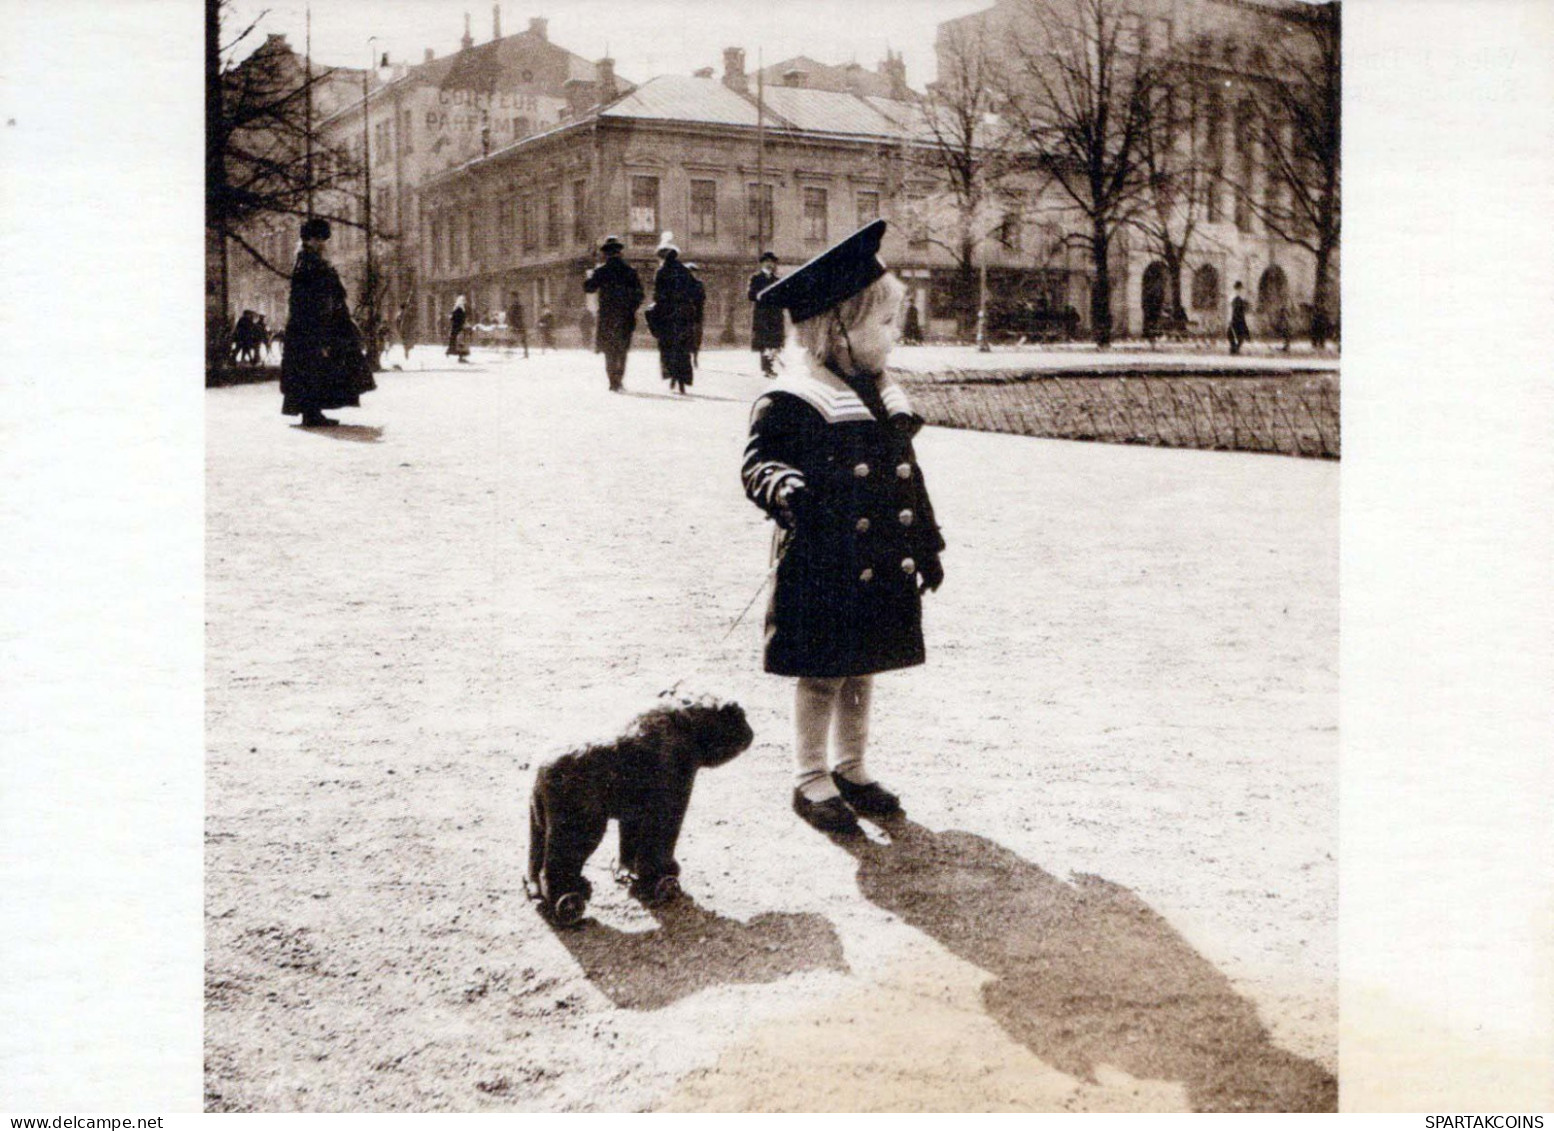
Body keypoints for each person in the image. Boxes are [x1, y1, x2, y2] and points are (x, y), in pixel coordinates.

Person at [740, 219, 946, 836]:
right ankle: (810, 777)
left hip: (880, 557)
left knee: (863, 667)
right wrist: (781, 485)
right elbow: (758, 463)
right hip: (824, 559)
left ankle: (851, 769)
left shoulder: (884, 396)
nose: (895, 336)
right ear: (837, 331)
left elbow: (909, 478)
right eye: (884, 324)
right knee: (823, 671)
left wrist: (927, 545)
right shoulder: (795, 400)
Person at [279, 218, 374, 427]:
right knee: (313, 367)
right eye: (317, 238)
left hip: (318, 322)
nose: (321, 242)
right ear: (307, 240)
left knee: (319, 367)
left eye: (323, 238)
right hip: (312, 324)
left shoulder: (312, 261)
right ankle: (311, 413)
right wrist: (320, 326)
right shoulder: (308, 263)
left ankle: (313, 411)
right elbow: (311, 299)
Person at [583, 235, 644, 391]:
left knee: (609, 350)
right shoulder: (630, 271)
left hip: (607, 317)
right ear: (620, 252)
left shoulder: (601, 271)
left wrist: (591, 272)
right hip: (625, 317)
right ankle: (619, 378)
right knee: (622, 349)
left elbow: (589, 288)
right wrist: (631, 308)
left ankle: (612, 381)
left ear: (606, 253)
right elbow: (639, 295)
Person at [646, 233, 699, 395]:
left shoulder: (661, 272)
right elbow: (694, 291)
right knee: (683, 348)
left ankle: (672, 376)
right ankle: (683, 379)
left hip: (667, 315)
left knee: (667, 347)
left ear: (663, 257)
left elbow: (658, 294)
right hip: (684, 315)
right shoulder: (685, 271)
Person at [748, 250, 785, 376]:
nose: (769, 265)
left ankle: (769, 367)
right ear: (762, 264)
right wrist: (759, 295)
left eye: (772, 262)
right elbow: (751, 295)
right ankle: (766, 368)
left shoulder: (777, 280)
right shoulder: (756, 278)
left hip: (775, 315)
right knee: (764, 342)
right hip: (762, 315)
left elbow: (781, 296)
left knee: (773, 342)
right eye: (767, 262)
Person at [684, 262, 707, 370]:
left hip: (697, 315)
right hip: (684, 316)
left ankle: (695, 357)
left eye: (694, 272)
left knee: (697, 338)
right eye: (690, 272)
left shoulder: (699, 284)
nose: (692, 274)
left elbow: (702, 298)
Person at [1227, 282, 1251, 355]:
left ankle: (1235, 348)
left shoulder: (1239, 297)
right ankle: (1234, 347)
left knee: (1239, 334)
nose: (1240, 290)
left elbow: (1243, 308)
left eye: (1240, 289)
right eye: (1239, 289)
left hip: (1238, 317)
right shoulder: (1235, 297)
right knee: (1231, 333)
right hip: (1236, 318)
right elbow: (1233, 308)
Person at [506, 293, 529, 359]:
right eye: (511, 297)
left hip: (518, 324)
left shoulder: (517, 305)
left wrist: (515, 323)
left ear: (515, 297)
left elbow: (518, 315)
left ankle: (525, 353)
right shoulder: (513, 305)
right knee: (516, 338)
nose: (511, 299)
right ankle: (524, 353)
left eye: (512, 297)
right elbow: (510, 315)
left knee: (520, 339)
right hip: (516, 324)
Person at [448, 294, 470, 363]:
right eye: (463, 300)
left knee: (461, 343)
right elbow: (457, 319)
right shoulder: (459, 309)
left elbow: (452, 318)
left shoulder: (459, 308)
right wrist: (462, 323)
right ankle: (461, 357)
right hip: (459, 328)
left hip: (459, 328)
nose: (465, 302)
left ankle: (461, 357)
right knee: (460, 343)